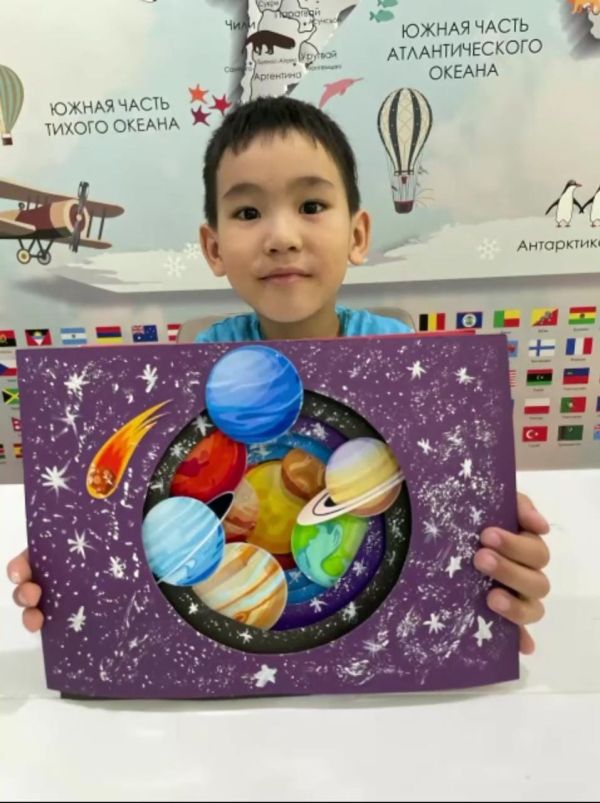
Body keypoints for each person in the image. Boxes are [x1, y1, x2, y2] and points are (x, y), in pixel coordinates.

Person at [7, 96, 550, 653]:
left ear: (358, 235)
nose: (282, 236)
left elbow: (436, 502)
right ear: (213, 248)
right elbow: (160, 510)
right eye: (248, 213)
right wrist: (75, 563)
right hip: (242, 621)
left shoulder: (400, 360)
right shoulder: (197, 369)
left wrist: (490, 549)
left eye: (312, 205)